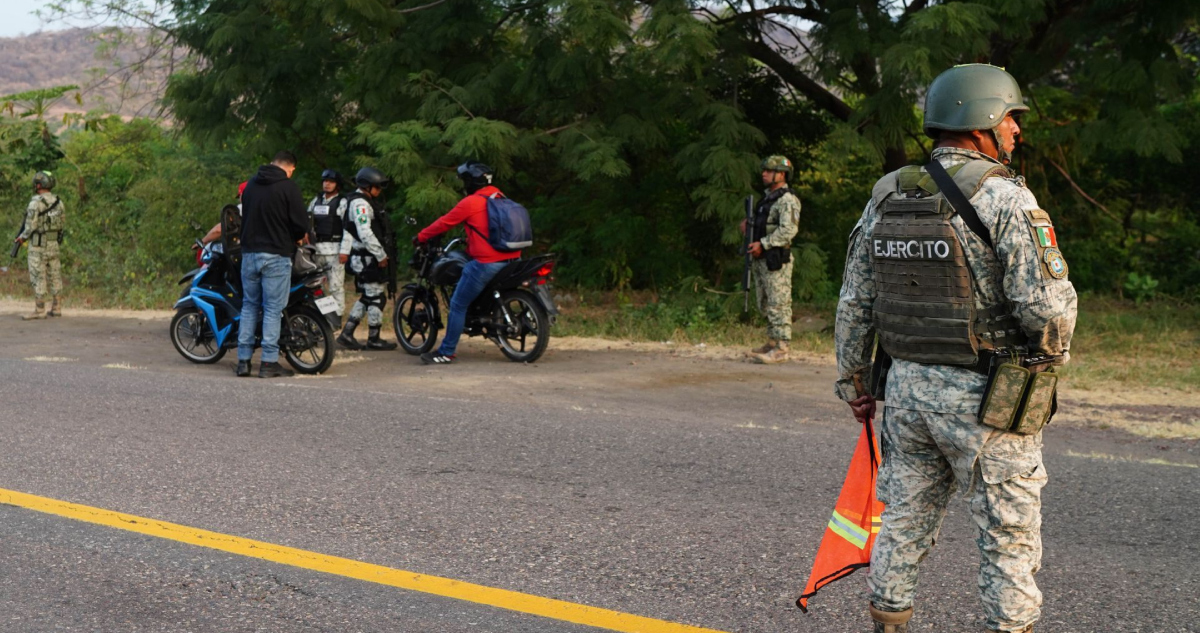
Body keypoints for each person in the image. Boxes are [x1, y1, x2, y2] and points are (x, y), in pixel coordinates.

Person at [833, 64, 1078, 633]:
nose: (1018, 130)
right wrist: (1049, 361)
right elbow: (1046, 311)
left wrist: (856, 384)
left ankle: (889, 621)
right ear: (982, 120)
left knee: (903, 522)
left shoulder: (887, 196)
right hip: (987, 398)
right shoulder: (1004, 199)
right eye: (1012, 118)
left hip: (908, 395)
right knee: (1008, 538)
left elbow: (854, 302)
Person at [415, 161, 521, 365]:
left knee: (457, 304)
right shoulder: (500, 197)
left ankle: (446, 352)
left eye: (464, 181)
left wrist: (420, 236)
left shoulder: (471, 202)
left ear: (471, 182)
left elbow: (443, 223)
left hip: (487, 263)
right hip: (512, 258)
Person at [236, 151, 309, 378]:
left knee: (249, 305)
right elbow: (300, 223)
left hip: (249, 255)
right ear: (291, 168)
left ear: (272, 163)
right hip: (276, 255)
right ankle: (268, 363)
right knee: (272, 309)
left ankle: (243, 361)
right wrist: (296, 237)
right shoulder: (288, 187)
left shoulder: (249, 187)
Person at [742, 155, 801, 363]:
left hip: (775, 259)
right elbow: (765, 224)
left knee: (779, 303)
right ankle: (772, 342)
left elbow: (789, 230)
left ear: (781, 174)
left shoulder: (787, 200)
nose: (764, 174)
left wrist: (764, 244)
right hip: (762, 259)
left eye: (769, 170)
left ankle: (782, 348)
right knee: (765, 302)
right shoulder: (768, 198)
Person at [336, 167, 397, 351]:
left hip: (364, 257)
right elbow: (365, 233)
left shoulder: (359, 201)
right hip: (367, 258)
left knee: (367, 297)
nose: (379, 191)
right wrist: (380, 255)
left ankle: (347, 333)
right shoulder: (360, 204)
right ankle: (374, 338)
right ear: (366, 186)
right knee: (377, 298)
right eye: (376, 187)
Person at [14, 171, 66, 320]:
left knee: (38, 275)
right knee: (55, 275)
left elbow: (30, 226)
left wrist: (21, 238)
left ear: (38, 185)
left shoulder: (35, 203)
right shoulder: (59, 202)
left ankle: (40, 309)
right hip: (53, 243)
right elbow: (62, 223)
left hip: (38, 245)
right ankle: (56, 307)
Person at [307, 169, 349, 327]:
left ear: (337, 184)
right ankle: (324, 321)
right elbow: (308, 221)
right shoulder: (316, 201)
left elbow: (348, 228)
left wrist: (345, 250)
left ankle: (336, 320)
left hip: (335, 250)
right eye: (325, 181)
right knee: (317, 288)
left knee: (336, 286)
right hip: (316, 251)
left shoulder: (342, 202)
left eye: (330, 181)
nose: (327, 184)